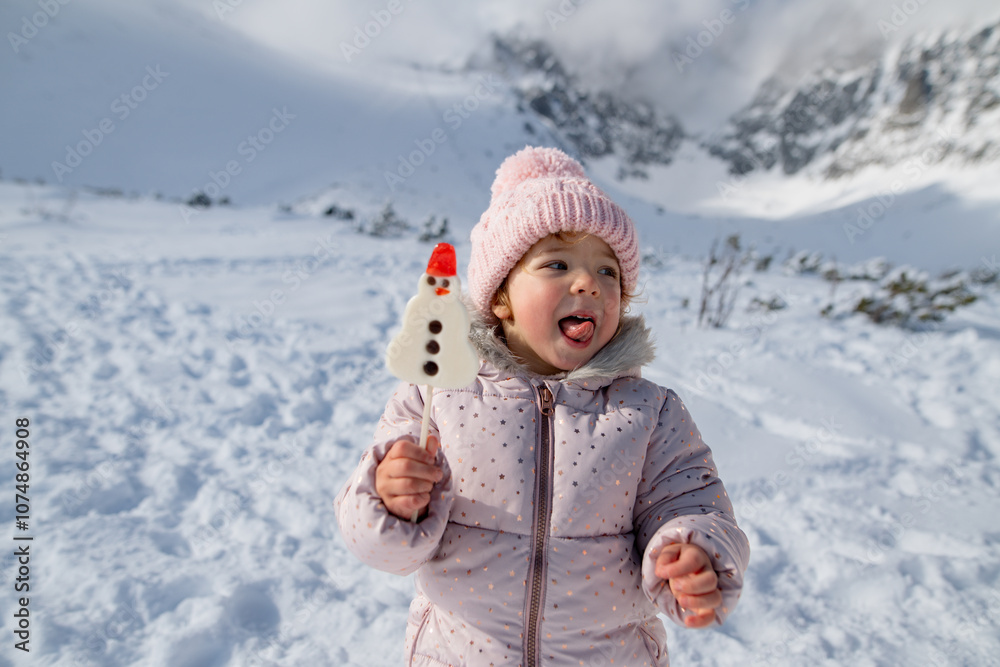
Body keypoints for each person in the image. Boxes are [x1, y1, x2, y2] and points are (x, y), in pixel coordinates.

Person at [336, 146, 750, 666]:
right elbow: (376, 546)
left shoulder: (649, 413)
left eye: (609, 273)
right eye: (557, 264)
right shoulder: (439, 398)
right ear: (501, 298)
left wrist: (692, 551)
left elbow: (693, 503)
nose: (588, 283)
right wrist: (391, 498)